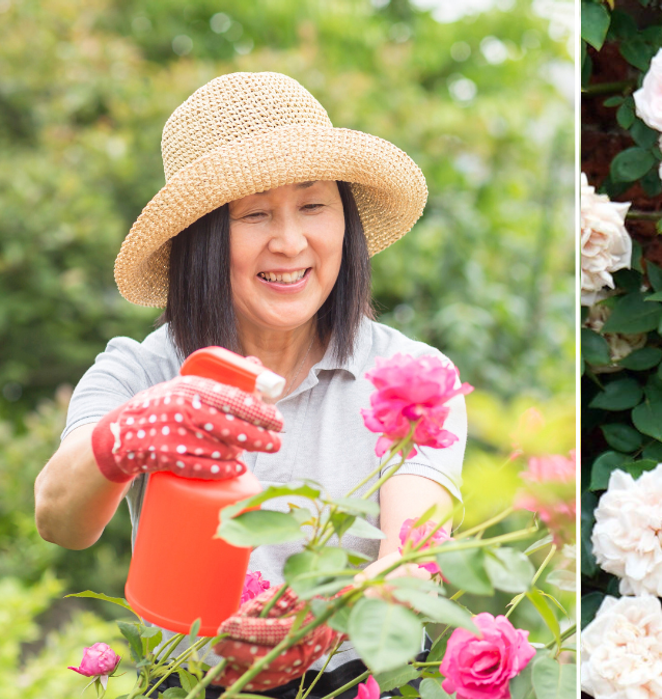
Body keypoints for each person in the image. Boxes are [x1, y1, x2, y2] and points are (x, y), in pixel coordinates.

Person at [33, 72, 464, 698]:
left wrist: (326, 615)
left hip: (363, 679)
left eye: (314, 206)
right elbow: (59, 520)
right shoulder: (143, 371)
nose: (290, 242)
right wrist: (122, 439)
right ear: (202, 241)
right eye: (254, 214)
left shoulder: (412, 376)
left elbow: (413, 556)